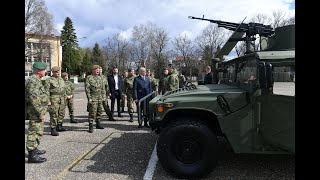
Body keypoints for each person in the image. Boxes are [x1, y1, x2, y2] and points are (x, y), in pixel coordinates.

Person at [25, 62, 49, 163]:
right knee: (33, 131)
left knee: (38, 131)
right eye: (44, 70)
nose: (45, 72)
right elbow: (34, 99)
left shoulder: (36, 80)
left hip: (37, 110)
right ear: (39, 71)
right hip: (35, 111)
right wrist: (40, 113)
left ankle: (35, 149)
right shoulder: (32, 81)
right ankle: (32, 155)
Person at [45, 66, 67, 136]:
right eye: (56, 72)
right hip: (54, 98)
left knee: (62, 112)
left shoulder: (61, 79)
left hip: (62, 98)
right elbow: (46, 91)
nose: (58, 73)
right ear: (53, 72)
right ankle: (53, 128)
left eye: (58, 72)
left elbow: (64, 89)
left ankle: (59, 126)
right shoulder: (49, 80)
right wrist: (48, 100)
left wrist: (65, 96)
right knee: (54, 113)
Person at [85, 65, 106, 133]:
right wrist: (89, 98)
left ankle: (98, 123)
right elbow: (87, 89)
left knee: (99, 110)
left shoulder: (100, 78)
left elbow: (103, 88)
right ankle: (91, 125)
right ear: (93, 70)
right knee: (92, 112)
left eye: (98, 69)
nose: (98, 71)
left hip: (100, 97)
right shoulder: (89, 78)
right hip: (93, 97)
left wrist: (103, 97)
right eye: (96, 69)